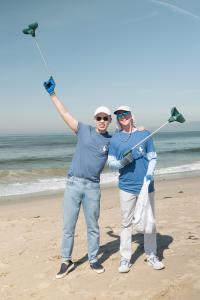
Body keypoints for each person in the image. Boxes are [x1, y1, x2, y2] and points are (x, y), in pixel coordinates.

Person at [43, 76, 114, 278]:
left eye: (105, 118)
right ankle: (66, 260)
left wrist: (139, 128)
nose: (101, 121)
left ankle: (93, 259)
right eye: (99, 118)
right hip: (73, 184)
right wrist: (52, 94)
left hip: (93, 187)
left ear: (110, 121)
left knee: (93, 226)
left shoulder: (112, 140)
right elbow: (64, 113)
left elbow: (128, 138)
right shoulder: (83, 130)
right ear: (95, 119)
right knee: (68, 226)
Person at [107, 105, 165, 273]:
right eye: (119, 115)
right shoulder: (115, 139)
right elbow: (111, 164)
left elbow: (152, 157)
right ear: (117, 119)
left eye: (125, 114)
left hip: (146, 186)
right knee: (126, 223)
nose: (122, 116)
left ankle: (152, 255)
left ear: (132, 116)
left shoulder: (145, 134)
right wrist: (123, 162)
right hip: (126, 187)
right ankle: (125, 259)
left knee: (150, 222)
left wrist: (149, 174)